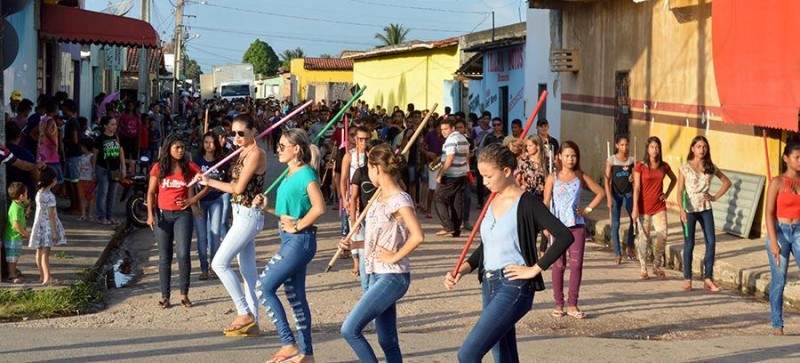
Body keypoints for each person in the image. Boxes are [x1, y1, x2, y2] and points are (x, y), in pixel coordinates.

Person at [445, 143, 574, 362]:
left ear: (506, 171)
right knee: (503, 355)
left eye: (488, 176)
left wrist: (535, 269)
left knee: (467, 354)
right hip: (489, 284)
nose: (484, 182)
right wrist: (464, 269)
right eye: (481, 176)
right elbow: (489, 244)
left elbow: (564, 235)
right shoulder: (491, 199)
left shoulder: (528, 203)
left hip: (513, 286)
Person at [338, 143, 424, 362]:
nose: (367, 173)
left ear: (376, 168)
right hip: (377, 274)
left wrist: (395, 256)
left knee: (350, 329)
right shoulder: (378, 198)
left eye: (368, 167)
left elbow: (417, 235)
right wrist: (353, 246)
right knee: (387, 341)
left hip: (393, 276)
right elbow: (376, 241)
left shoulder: (399, 199)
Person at [256, 128, 324, 363]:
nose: (278, 149)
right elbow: (288, 215)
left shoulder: (306, 175)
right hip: (291, 239)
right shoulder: (289, 173)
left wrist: (299, 226)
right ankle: (307, 354)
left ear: (296, 149)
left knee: (263, 288)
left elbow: (319, 208)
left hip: (300, 241)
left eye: (282, 146)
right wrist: (267, 207)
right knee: (295, 297)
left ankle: (288, 343)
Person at [196, 114, 267, 336]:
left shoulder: (256, 153)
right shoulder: (241, 151)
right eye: (233, 133)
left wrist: (209, 182)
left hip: (248, 215)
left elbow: (237, 188)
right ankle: (253, 322)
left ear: (253, 131)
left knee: (219, 263)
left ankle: (243, 311)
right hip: (240, 214)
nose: (236, 137)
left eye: (241, 133)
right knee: (248, 272)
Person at [543, 141, 605, 318]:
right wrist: (545, 224)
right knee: (558, 265)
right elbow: (546, 202)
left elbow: (600, 192)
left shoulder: (580, 176)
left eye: (574, 156)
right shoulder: (552, 178)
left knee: (576, 265)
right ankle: (558, 303)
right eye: (567, 155)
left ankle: (572, 304)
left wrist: (587, 209)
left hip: (576, 225)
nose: (571, 159)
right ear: (560, 157)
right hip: (557, 227)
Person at [146, 134, 201, 309]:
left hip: (183, 215)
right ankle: (165, 297)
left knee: (183, 254)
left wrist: (193, 201)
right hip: (163, 215)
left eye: (182, 148)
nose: (180, 151)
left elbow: (207, 182)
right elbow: (151, 192)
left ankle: (184, 295)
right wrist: (149, 214)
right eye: (176, 147)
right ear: (168, 148)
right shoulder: (158, 168)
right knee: (164, 257)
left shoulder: (190, 167)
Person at [677, 136, 731, 292]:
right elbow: (680, 190)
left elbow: (727, 182)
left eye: (704, 147)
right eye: (699, 146)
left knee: (711, 242)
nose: (702, 149)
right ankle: (688, 278)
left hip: (706, 207)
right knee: (690, 244)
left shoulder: (710, 167)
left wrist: (714, 197)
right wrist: (681, 209)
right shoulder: (684, 167)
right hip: (689, 209)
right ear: (692, 148)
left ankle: (708, 278)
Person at [765, 142, 800, 336]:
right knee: (779, 280)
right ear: (786, 158)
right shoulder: (777, 182)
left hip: (799, 231)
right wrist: (773, 241)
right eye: (797, 157)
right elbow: (768, 212)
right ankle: (777, 324)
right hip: (779, 231)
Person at [631, 136, 676, 279]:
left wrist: (667, 194)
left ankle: (656, 266)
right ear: (647, 149)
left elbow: (674, 179)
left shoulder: (664, 166)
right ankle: (643, 268)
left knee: (663, 235)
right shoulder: (640, 166)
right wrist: (634, 208)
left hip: (659, 206)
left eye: (657, 147)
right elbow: (637, 188)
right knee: (644, 238)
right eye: (652, 147)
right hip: (643, 207)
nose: (654, 150)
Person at [193, 132, 228, 280]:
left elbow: (227, 179)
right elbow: (191, 183)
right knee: (201, 237)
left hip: (216, 200)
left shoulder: (222, 161)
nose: (209, 145)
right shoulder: (196, 161)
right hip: (200, 202)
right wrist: (193, 202)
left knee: (215, 234)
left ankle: (214, 267)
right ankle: (203, 268)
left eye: (211, 142)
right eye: (206, 142)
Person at [28, 167, 66, 285]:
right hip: (47, 227)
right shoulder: (50, 196)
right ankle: (48, 278)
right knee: (45, 252)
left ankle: (42, 275)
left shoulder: (39, 193)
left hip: (38, 226)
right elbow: (51, 215)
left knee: (39, 252)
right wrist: (55, 231)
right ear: (53, 181)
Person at [434, 118, 470, 237]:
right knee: (456, 202)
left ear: (452, 128)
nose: (443, 131)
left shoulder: (451, 140)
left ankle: (448, 226)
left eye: (446, 129)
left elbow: (450, 158)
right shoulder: (463, 138)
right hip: (461, 174)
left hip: (451, 174)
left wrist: (440, 173)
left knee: (439, 197)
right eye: (442, 129)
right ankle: (456, 229)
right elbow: (467, 156)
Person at [605, 135, 636, 264]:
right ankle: (618, 253)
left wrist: (634, 175)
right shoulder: (611, 160)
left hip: (629, 192)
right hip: (615, 193)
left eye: (627, 145)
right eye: (622, 145)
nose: (625, 147)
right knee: (615, 224)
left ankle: (629, 245)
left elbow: (636, 174)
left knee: (634, 219)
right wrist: (608, 198)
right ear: (617, 145)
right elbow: (607, 180)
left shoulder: (632, 160)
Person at [93, 116, 126, 225]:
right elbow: (95, 155)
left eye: (115, 124)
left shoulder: (117, 137)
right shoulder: (100, 139)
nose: (114, 126)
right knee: (103, 193)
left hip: (115, 169)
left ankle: (110, 216)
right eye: (112, 124)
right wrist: (93, 170)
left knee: (112, 194)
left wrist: (123, 167)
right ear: (105, 126)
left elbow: (121, 153)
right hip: (102, 168)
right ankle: (101, 216)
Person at [4, 182, 30, 284]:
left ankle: (13, 271)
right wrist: (24, 233)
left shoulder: (18, 205)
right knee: (12, 257)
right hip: (12, 237)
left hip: (16, 237)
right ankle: (11, 275)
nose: (27, 195)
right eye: (26, 193)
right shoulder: (15, 208)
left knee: (15, 256)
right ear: (21, 196)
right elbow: (15, 224)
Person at [62, 99, 83, 214]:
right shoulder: (70, 121)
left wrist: (63, 140)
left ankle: (78, 207)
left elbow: (74, 140)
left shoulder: (73, 122)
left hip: (74, 155)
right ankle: (73, 205)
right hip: (70, 155)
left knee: (74, 183)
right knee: (69, 181)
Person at [421, 120, 444, 219]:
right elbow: (421, 147)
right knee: (432, 187)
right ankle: (429, 209)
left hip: (445, 162)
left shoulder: (448, 135)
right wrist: (428, 153)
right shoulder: (431, 134)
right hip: (434, 162)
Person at [77, 139, 96, 221]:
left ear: (84, 147)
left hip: (89, 180)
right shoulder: (82, 157)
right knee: (82, 197)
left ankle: (90, 215)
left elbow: (93, 167)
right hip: (81, 179)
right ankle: (83, 214)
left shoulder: (91, 157)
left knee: (90, 198)